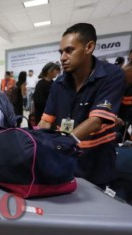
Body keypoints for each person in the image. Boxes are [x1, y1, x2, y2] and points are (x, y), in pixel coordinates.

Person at [38, 23, 126, 188]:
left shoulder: (112, 76)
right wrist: (35, 144)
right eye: (61, 52)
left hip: (97, 164)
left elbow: (96, 120)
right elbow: (46, 121)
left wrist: (62, 144)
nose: (62, 57)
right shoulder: (59, 84)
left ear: (89, 47)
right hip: (65, 163)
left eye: (69, 50)